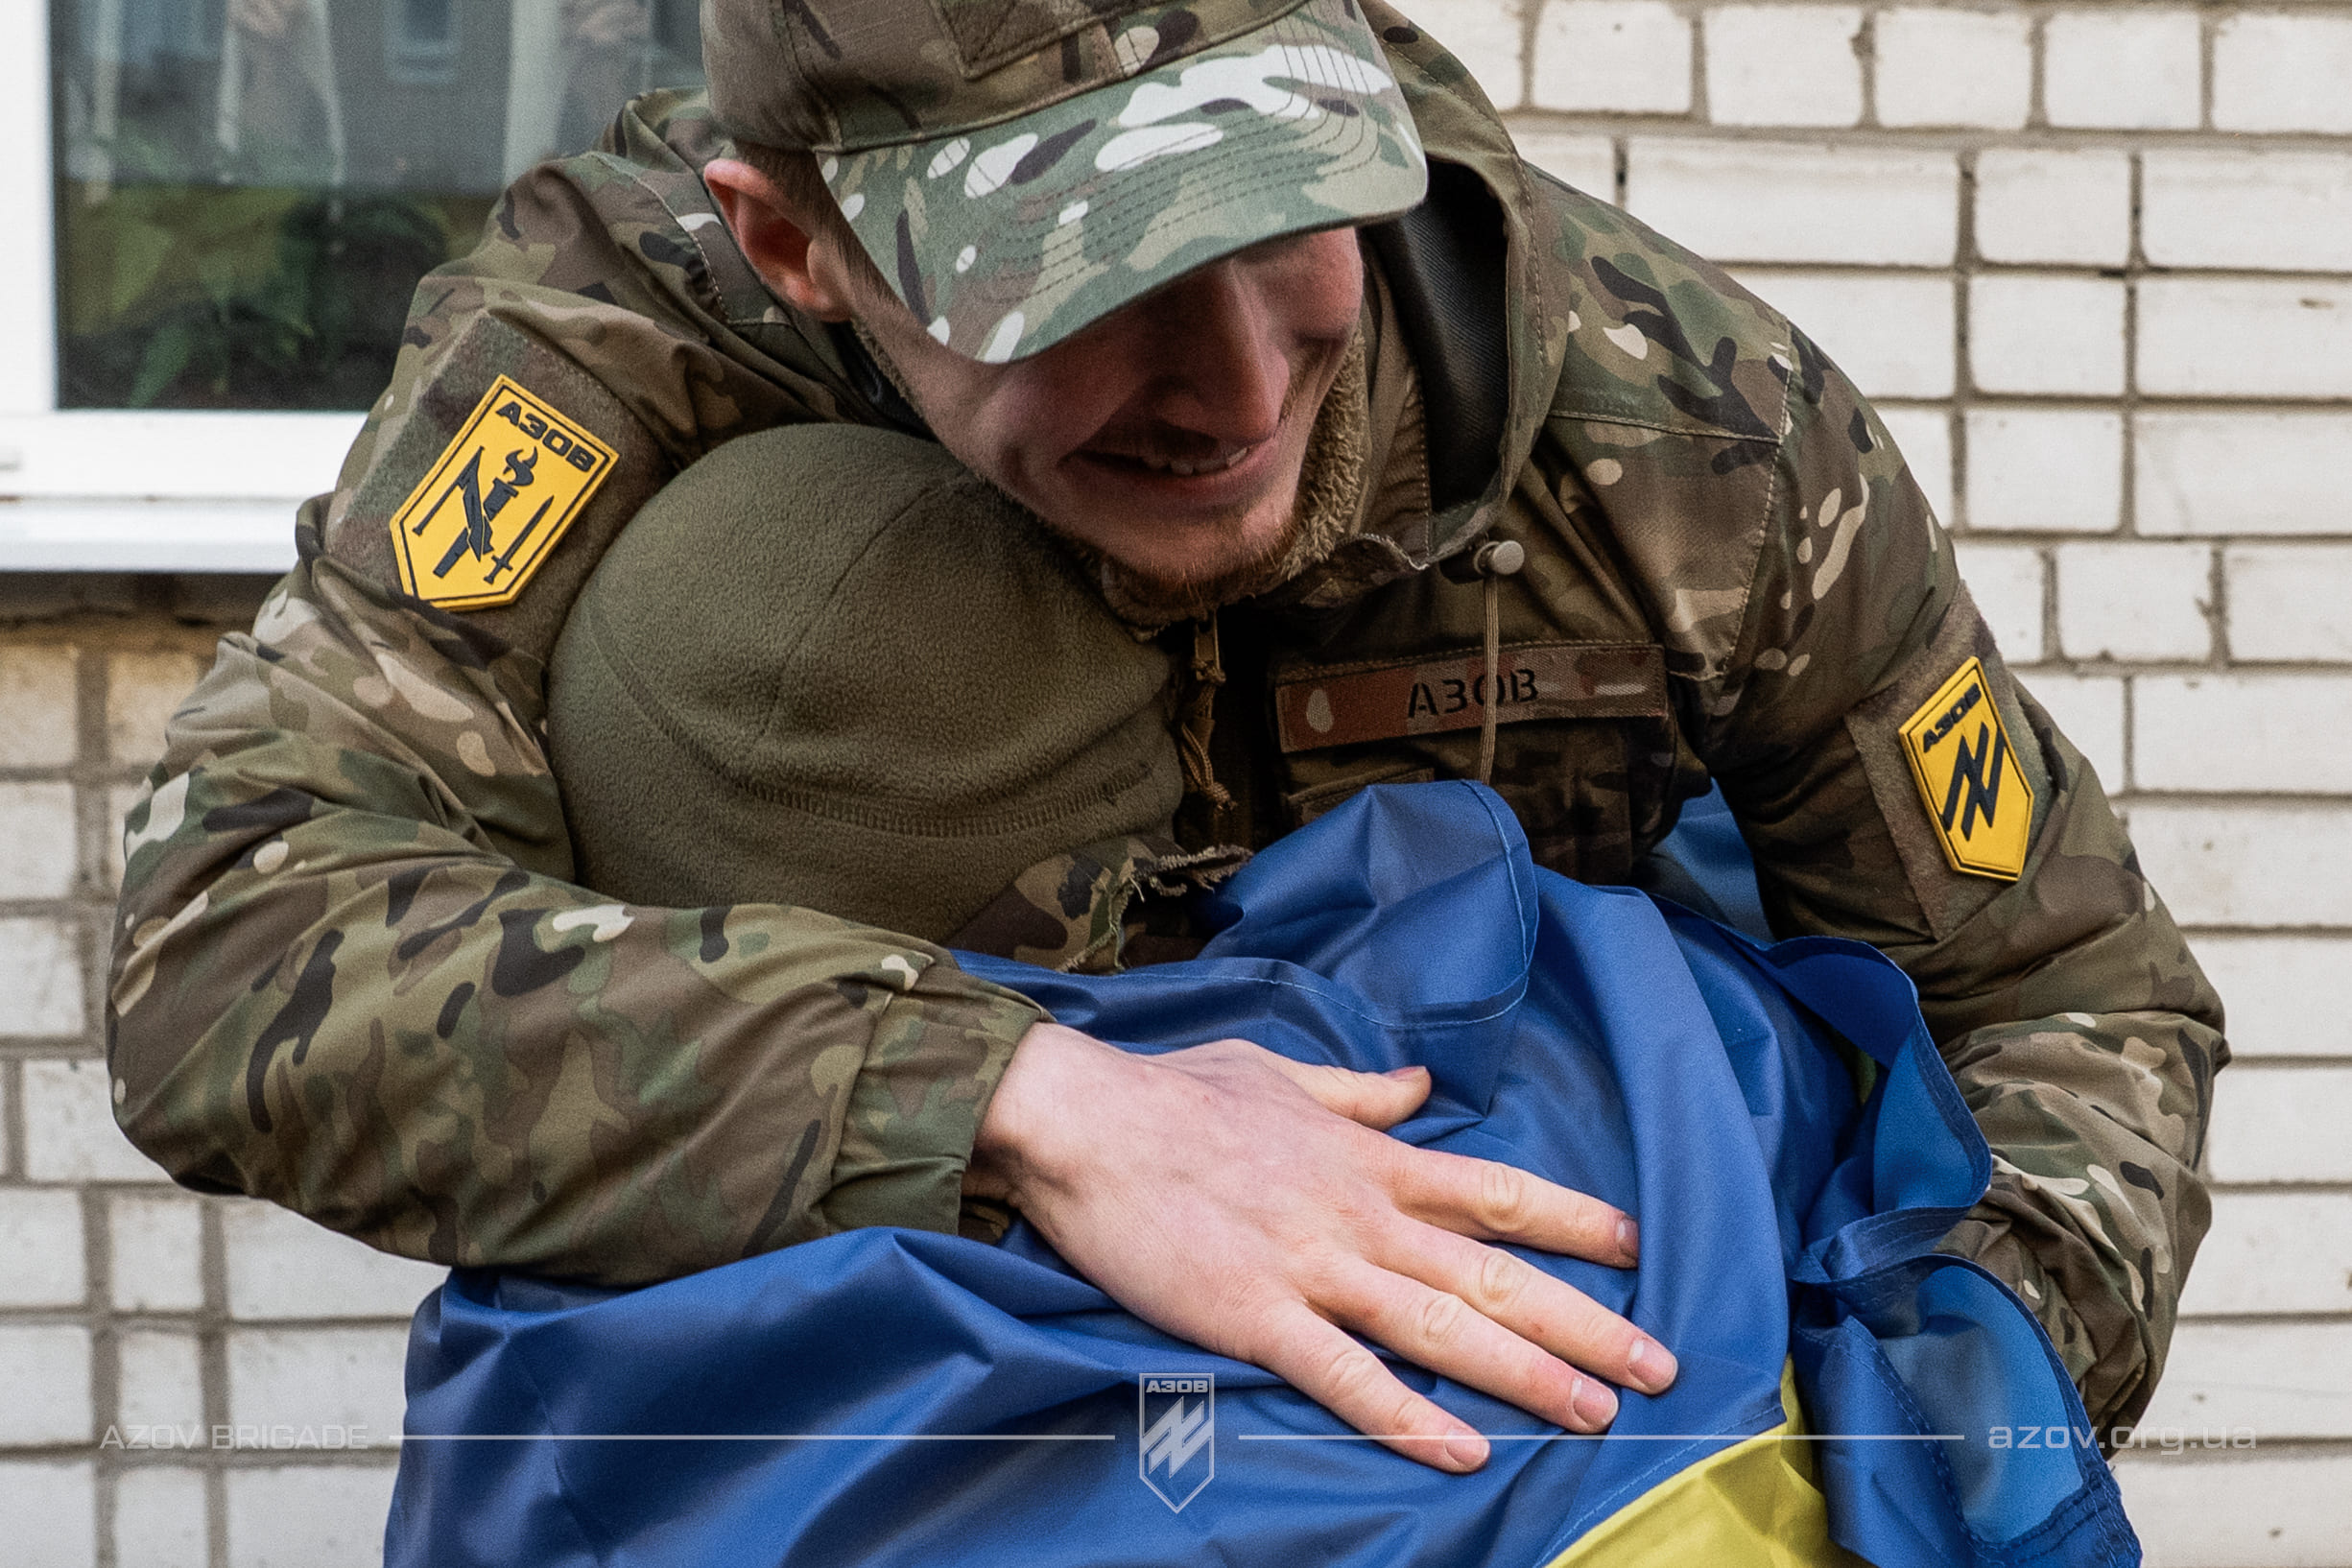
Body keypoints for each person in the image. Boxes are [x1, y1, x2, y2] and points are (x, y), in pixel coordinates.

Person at [108, 0, 2224, 1473]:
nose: (1228, 385)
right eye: (1074, 274)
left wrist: (1946, 1400)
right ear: (797, 238)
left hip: (1541, 1433)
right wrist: (1022, 1101)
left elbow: (2058, 984)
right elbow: (230, 944)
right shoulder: (622, 341)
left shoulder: (1692, 446)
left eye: (1279, 214)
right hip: (896, 1446)